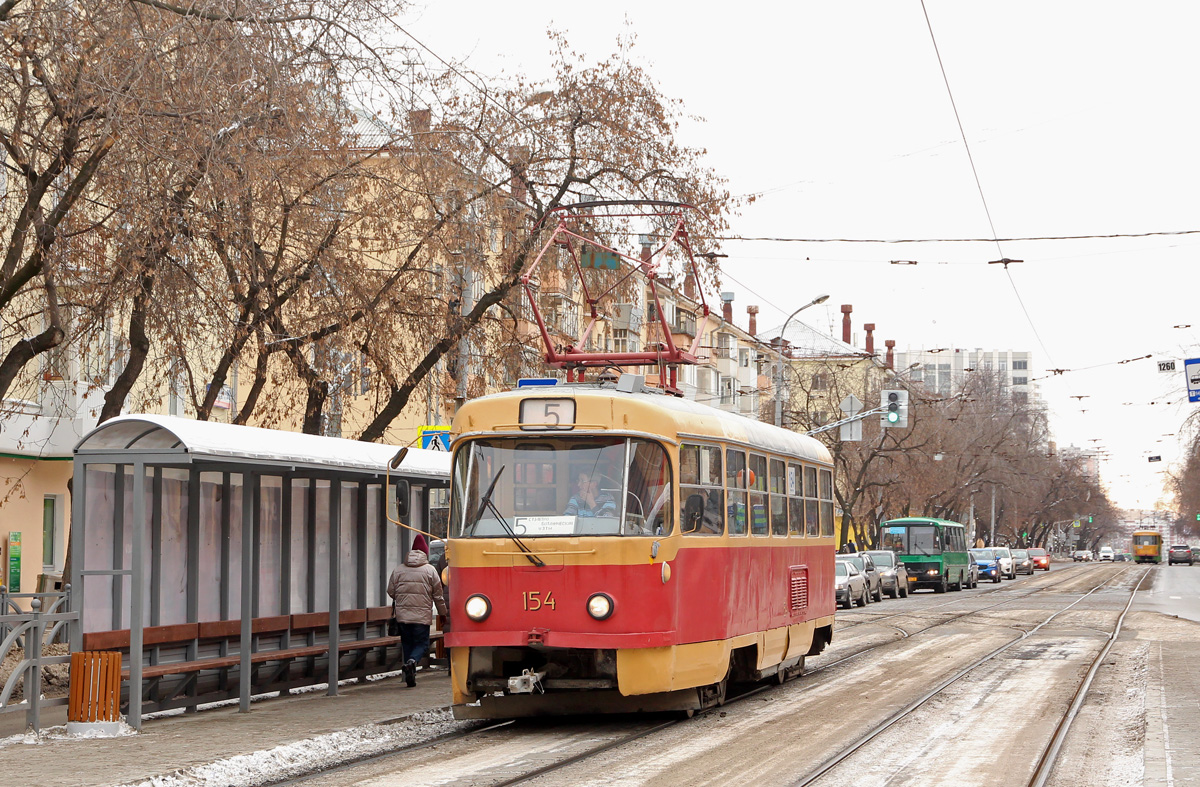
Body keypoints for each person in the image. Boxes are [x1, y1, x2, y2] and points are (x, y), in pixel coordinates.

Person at [387, 533, 449, 687]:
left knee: (407, 643)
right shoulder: (430, 571)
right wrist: (443, 613)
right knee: (421, 644)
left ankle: (410, 672)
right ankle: (412, 662)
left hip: (403, 616)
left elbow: (391, 591)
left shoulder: (398, 570)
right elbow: (438, 595)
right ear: (425, 553)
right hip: (421, 616)